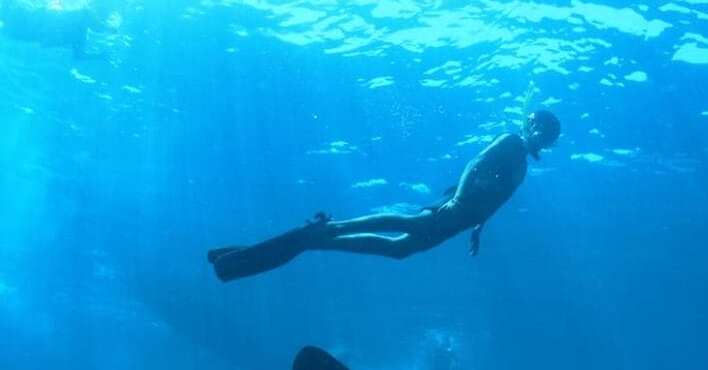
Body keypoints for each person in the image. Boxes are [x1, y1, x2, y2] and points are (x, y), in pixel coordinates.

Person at [208, 109, 561, 282]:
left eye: (547, 137)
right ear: (534, 127)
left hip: (462, 220)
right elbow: (474, 163)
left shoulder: (523, 167)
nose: (542, 138)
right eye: (542, 131)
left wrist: (478, 229)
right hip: (454, 209)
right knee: (405, 223)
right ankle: (331, 229)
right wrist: (457, 202)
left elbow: (497, 201)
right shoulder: (510, 142)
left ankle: (321, 239)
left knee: (399, 249)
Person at [1, 0, 115, 60]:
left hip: (28, 28)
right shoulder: (83, 16)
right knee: (7, 15)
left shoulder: (81, 33)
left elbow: (79, 55)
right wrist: (108, 29)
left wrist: (100, 56)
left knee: (7, 15)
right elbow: (96, 28)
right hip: (29, 26)